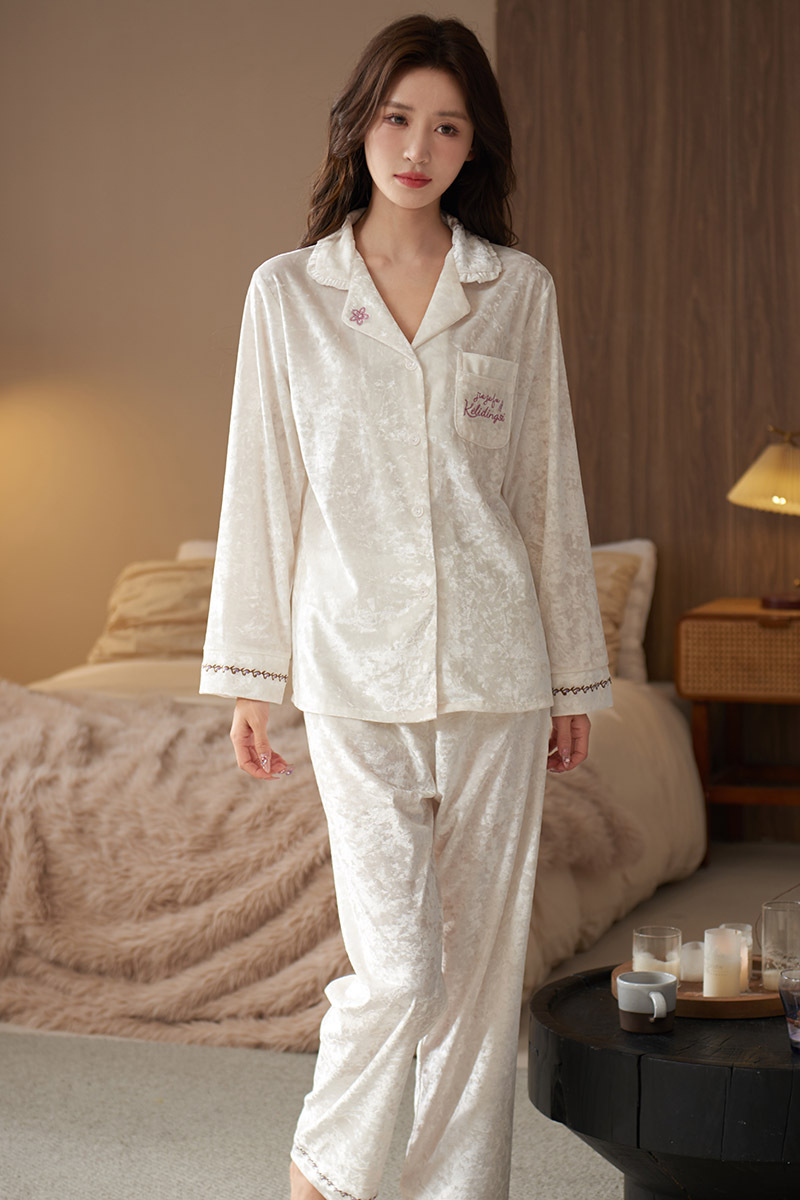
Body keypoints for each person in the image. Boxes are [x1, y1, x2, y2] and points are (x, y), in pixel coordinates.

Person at [200, 14, 612, 1200]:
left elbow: (544, 492)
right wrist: (252, 678)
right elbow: (261, 490)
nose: (416, 148)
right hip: (349, 670)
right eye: (395, 118)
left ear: (473, 145)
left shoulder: (512, 291)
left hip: (495, 668)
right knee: (396, 971)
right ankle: (324, 1176)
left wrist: (573, 678)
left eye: (445, 126)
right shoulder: (288, 294)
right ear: (358, 126)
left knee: (478, 985)